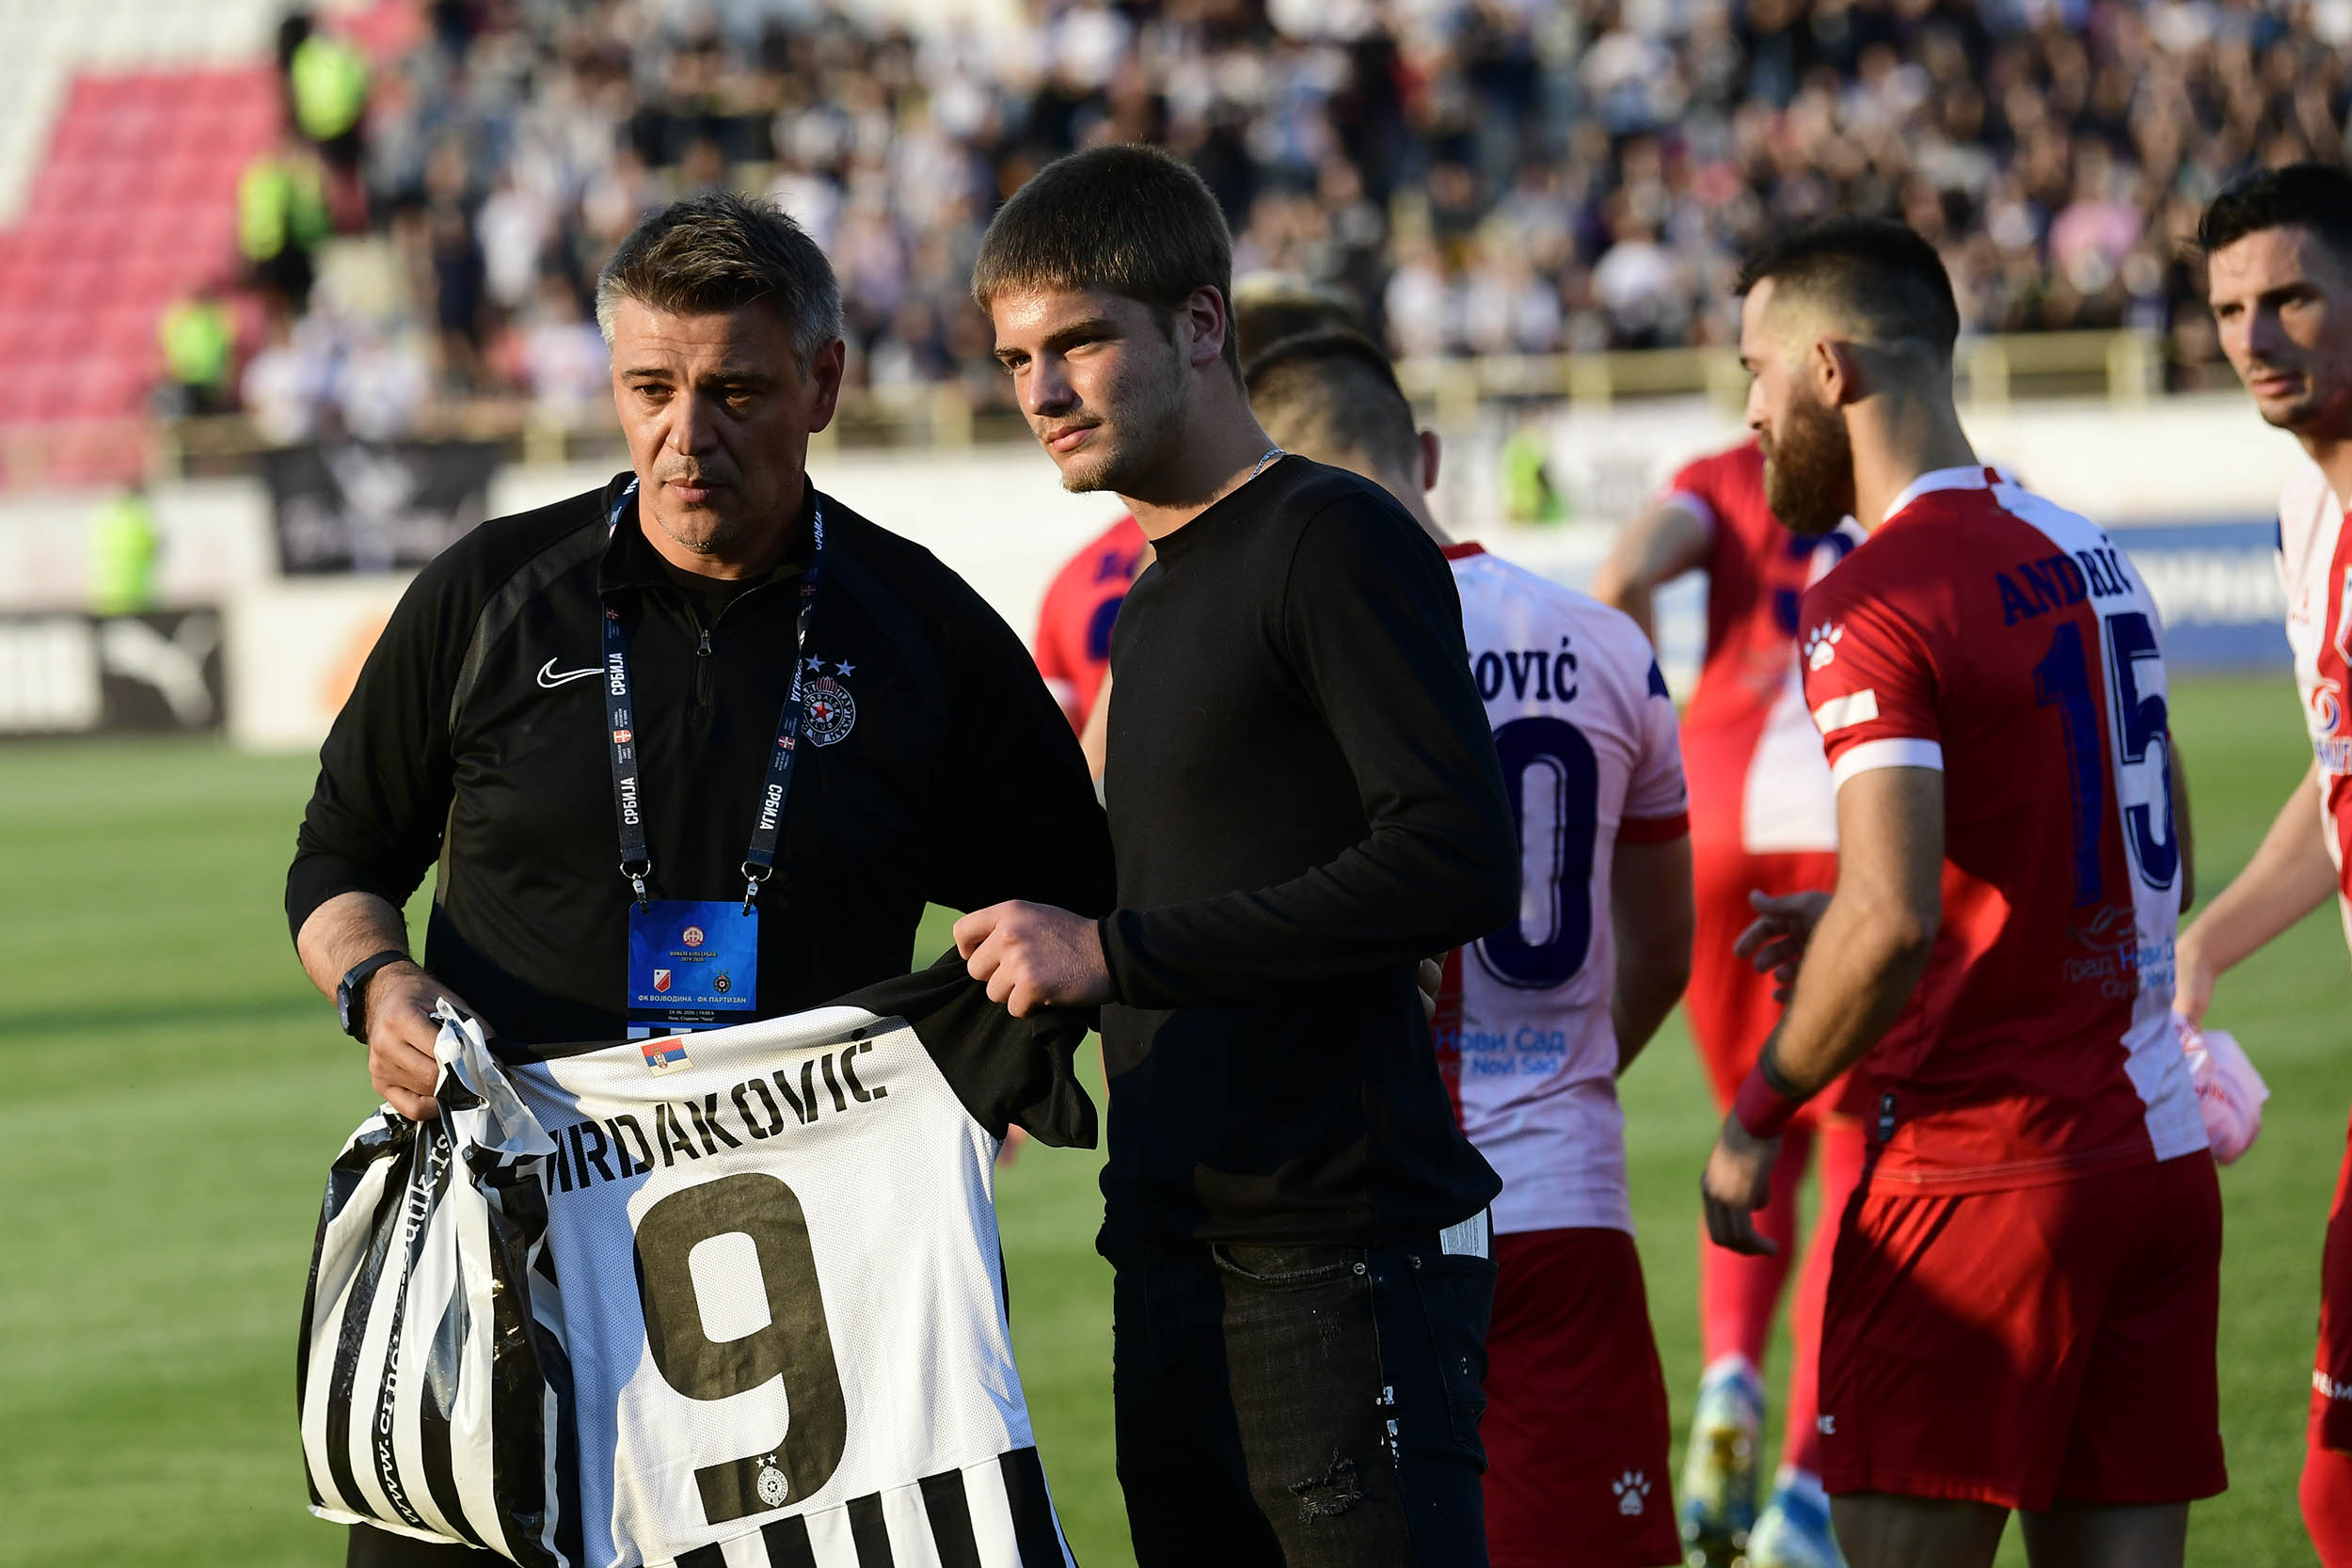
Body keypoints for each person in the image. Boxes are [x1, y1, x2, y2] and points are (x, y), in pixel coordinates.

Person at [285, 190, 1113, 1568]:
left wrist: (984, 1067)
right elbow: (340, 861)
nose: (688, 432)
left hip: (815, 1286)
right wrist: (378, 983)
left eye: (735, 389)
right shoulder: (492, 593)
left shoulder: (918, 629)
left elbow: (1067, 905)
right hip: (506, 1251)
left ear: (824, 382)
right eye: (651, 388)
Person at [956, 143, 1519, 1566]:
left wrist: (1115, 951)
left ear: (1203, 326)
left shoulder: (1331, 535)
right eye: (1017, 355)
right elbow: (1174, 900)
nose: (1042, 390)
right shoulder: (1150, 598)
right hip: (1173, 1253)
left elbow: (1455, 859)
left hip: (1336, 1256)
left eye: (1080, 340)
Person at [1698, 216, 2219, 1568]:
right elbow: (2148, 850)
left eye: (1754, 369)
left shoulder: (1870, 593)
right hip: (2154, 1157)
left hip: (1983, 1171)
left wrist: (1758, 1114)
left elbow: (1889, 923)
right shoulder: (2086, 545)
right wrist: (1916, 901)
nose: (1746, 410)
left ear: (1829, 365)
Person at [1248, 326, 1693, 1568]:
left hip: (1350, 1202)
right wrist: (1563, 1066)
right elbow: (1663, 945)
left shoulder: (1276, 650)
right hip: (1562, 1192)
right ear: (1426, 452)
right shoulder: (1602, 639)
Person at [1592, 438, 1863, 1568]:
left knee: (1753, 1122)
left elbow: (1621, 577)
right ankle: (1806, 1482)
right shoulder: (1908, 468)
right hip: (1852, 801)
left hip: (1720, 801)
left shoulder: (1721, 476)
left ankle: (1727, 1381)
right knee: (1850, 1149)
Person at [2174, 161, 2352, 1567]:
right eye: (2231, 306)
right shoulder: (2303, 506)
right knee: (2334, 1493)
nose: (2255, 337)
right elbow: (2341, 771)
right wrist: (2212, 937)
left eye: (2291, 295)